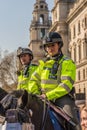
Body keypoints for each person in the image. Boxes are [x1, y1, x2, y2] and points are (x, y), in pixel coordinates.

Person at [28, 32, 82, 130]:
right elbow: (33, 80)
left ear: (59, 45)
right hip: (42, 98)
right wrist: (36, 94)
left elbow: (66, 85)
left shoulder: (67, 62)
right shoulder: (43, 64)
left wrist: (48, 95)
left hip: (62, 99)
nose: (50, 48)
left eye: (53, 45)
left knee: (73, 121)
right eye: (48, 46)